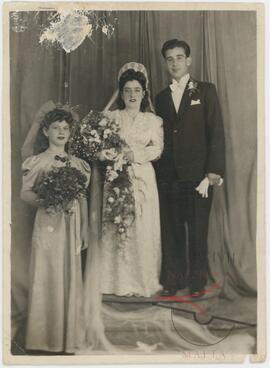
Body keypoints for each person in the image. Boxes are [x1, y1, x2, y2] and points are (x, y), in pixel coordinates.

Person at [154, 39, 225, 297]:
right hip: (169, 177)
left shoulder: (205, 91)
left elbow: (216, 131)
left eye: (179, 57)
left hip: (198, 177)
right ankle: (173, 281)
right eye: (170, 59)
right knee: (171, 233)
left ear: (189, 60)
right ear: (165, 63)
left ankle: (197, 284)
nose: (175, 63)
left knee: (197, 232)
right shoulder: (160, 98)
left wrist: (213, 173)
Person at [20, 105, 91, 353]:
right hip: (48, 225)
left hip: (71, 225)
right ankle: (42, 339)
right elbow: (25, 193)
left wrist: (84, 231)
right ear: (46, 131)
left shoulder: (79, 164)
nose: (61, 132)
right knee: (47, 272)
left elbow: (81, 197)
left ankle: (67, 338)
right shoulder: (37, 162)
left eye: (65, 128)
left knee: (69, 274)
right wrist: (46, 200)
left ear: (70, 133)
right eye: (56, 128)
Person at [99, 62, 164, 297]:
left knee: (143, 225)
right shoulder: (111, 117)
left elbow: (157, 149)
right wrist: (115, 156)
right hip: (117, 174)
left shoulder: (153, 121)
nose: (132, 95)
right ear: (121, 93)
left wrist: (133, 154)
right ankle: (115, 282)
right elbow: (100, 142)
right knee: (117, 221)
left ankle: (142, 281)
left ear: (144, 93)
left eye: (137, 90)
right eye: (127, 90)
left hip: (143, 176)